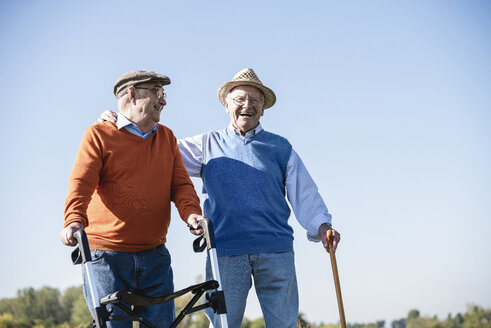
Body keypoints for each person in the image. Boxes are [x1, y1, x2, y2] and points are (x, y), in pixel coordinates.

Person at [99, 68, 341, 328]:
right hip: (225, 253)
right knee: (223, 325)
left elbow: (304, 192)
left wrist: (322, 225)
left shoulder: (280, 148)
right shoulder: (206, 144)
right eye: (239, 99)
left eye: (254, 100)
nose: (247, 105)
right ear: (227, 106)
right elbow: (154, 147)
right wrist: (121, 123)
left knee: (284, 324)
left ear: (263, 109)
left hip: (276, 252)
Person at [61, 70, 205, 328]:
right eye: (157, 93)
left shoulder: (167, 138)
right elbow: (81, 183)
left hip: (155, 256)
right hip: (106, 258)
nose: (164, 101)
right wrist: (73, 220)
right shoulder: (98, 135)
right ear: (132, 94)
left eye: (164, 94)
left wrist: (191, 213)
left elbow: (181, 185)